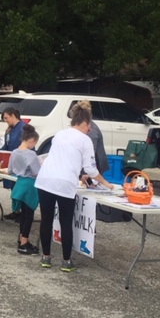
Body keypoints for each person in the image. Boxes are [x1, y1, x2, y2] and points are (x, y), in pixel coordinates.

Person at [35, 102, 113, 272]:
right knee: (65, 222)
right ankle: (66, 261)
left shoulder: (59, 134)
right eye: (89, 126)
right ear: (85, 123)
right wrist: (106, 183)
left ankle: (46, 257)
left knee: (46, 220)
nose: (90, 129)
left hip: (45, 180)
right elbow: (91, 169)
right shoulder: (85, 140)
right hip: (64, 184)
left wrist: (79, 174)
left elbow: (63, 159)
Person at [8, 124, 41, 255]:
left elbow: (10, 170)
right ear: (31, 140)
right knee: (29, 215)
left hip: (20, 183)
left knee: (23, 214)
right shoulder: (31, 154)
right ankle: (24, 243)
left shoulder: (14, 152)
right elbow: (36, 172)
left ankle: (22, 238)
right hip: (29, 185)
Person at [1, 107, 25, 221]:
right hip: (12, 161)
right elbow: (6, 145)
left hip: (21, 162)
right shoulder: (9, 130)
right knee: (13, 188)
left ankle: (23, 212)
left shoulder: (23, 128)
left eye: (6, 118)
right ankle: (16, 210)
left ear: (12, 115)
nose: (5, 120)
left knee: (20, 188)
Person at [76, 100, 109, 176]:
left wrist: (84, 172)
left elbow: (91, 154)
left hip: (96, 165)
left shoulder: (91, 130)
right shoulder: (85, 126)